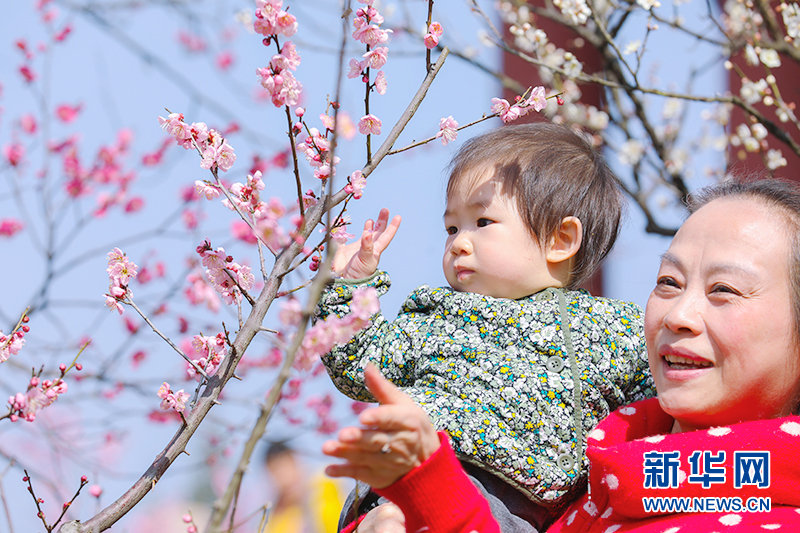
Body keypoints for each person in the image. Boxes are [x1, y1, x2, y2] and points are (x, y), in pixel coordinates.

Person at [322, 177, 800, 532]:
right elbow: (357, 357)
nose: (679, 315)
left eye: (725, 290)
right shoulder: (595, 485)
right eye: (668, 283)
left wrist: (436, 493)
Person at [314, 123, 655, 531]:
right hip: (414, 473)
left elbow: (665, 401)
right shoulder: (436, 318)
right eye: (452, 228)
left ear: (560, 239)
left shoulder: (614, 330)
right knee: (393, 519)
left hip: (517, 509)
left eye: (483, 222)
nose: (459, 242)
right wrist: (350, 291)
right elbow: (359, 362)